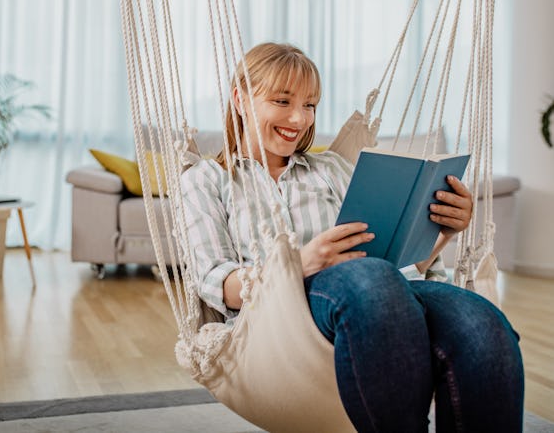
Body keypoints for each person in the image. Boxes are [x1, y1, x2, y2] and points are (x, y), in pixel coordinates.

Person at [181, 42, 524, 432]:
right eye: (282, 100)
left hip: (384, 290)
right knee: (372, 281)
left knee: (483, 323)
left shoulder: (331, 168)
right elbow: (216, 282)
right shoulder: (207, 180)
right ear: (240, 99)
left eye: (310, 105)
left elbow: (397, 265)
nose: (299, 118)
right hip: (277, 317)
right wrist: (298, 265)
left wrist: (440, 234)